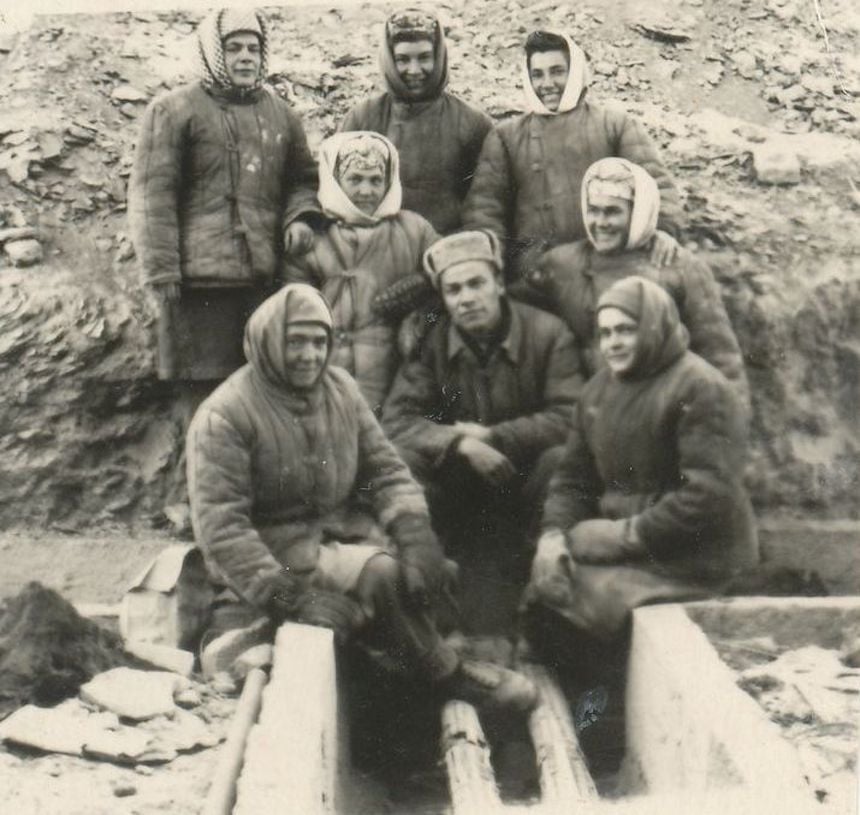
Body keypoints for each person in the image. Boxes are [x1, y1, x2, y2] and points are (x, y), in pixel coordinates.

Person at [187, 283, 537, 714]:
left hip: (332, 535)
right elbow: (222, 528)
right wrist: (289, 597)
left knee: (427, 580)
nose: (309, 355)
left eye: (319, 342)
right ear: (267, 342)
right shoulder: (226, 414)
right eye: (295, 342)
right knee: (382, 576)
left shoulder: (340, 389)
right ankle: (446, 676)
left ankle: (397, 686)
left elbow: (387, 471)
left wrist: (415, 537)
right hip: (271, 554)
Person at [524, 274, 757, 660]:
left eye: (626, 330)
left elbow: (709, 495)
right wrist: (553, 537)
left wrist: (626, 536)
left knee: (583, 612)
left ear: (653, 326)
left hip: (691, 555)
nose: (613, 342)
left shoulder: (701, 388)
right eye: (605, 333)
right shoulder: (598, 390)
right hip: (626, 540)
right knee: (545, 592)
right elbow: (572, 478)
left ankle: (606, 712)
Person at [383, 231, 583, 627]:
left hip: (524, 478)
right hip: (461, 482)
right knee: (404, 463)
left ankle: (544, 597)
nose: (467, 298)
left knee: (562, 462)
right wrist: (459, 443)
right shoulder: (433, 343)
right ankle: (427, 585)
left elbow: (570, 416)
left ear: (499, 284)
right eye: (454, 289)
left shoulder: (549, 333)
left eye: (476, 283)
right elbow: (397, 422)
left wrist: (495, 437)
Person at [128, 7, 321, 386]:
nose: (246, 56)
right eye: (234, 48)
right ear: (213, 52)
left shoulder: (281, 115)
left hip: (262, 280)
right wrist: (162, 269)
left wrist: (299, 217)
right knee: (203, 391)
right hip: (198, 284)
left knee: (261, 385)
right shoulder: (173, 110)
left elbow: (303, 180)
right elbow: (153, 194)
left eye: (253, 47)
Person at [516, 157, 750, 412]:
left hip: (658, 413)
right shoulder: (562, 264)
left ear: (639, 213)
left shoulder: (681, 267)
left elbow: (719, 355)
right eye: (594, 210)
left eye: (613, 211)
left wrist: (724, 423)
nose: (601, 222)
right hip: (582, 411)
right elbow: (516, 314)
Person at [463, 30, 683, 278]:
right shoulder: (506, 137)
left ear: (576, 72)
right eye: (537, 74)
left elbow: (655, 183)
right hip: (537, 274)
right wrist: (487, 259)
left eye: (557, 71)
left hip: (609, 266)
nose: (547, 84)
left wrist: (664, 229)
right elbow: (485, 208)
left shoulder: (615, 125)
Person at [284, 131, 438, 413]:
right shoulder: (313, 236)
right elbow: (293, 308)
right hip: (323, 369)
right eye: (355, 179)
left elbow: (447, 272)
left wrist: (421, 295)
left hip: (393, 370)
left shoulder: (415, 231)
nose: (366, 191)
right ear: (335, 180)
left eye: (376, 181)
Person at [339, 9, 492, 234]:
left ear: (438, 56)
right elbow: (336, 196)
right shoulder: (362, 118)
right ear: (389, 60)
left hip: (447, 249)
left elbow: (485, 205)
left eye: (424, 57)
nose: (414, 70)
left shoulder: (472, 123)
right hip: (375, 245)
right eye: (402, 59)